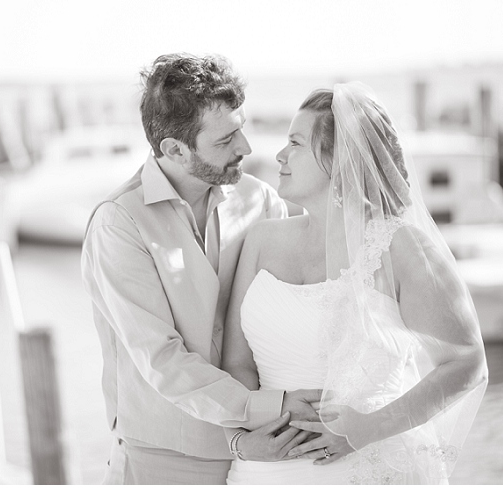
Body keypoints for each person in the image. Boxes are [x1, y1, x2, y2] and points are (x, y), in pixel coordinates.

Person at [222, 82, 489, 484]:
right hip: (265, 470)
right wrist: (248, 437)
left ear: (339, 158)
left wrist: (365, 430)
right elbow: (237, 365)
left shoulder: (400, 248)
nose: (279, 155)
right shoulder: (261, 240)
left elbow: (467, 362)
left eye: (295, 142)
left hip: (364, 466)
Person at [81, 53, 326, 485]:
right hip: (166, 460)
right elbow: (162, 360)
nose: (246, 148)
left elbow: (289, 321)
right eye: (225, 139)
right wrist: (265, 411)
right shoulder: (119, 223)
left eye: (242, 128)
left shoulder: (263, 201)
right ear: (173, 149)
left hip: (269, 453)